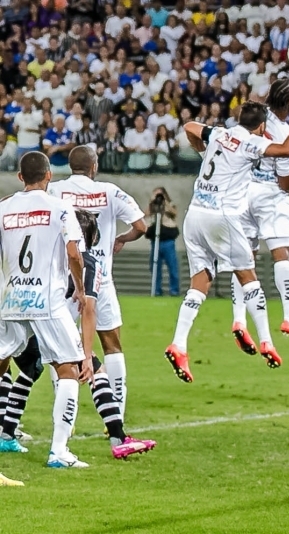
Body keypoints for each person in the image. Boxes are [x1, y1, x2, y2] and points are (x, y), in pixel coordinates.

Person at [164, 99, 289, 382]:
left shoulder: (219, 133)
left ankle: (179, 344)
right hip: (222, 217)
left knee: (201, 281)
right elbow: (286, 150)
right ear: (261, 126)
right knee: (249, 278)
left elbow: (189, 126)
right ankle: (267, 341)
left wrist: (202, 151)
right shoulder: (251, 142)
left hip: (195, 214)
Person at [0, 210, 156, 459]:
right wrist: (85, 351)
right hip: (49, 323)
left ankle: (7, 433)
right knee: (86, 370)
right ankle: (107, 440)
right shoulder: (86, 261)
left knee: (30, 369)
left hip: (19, 314)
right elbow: (89, 310)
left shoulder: (48, 251)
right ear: (92, 237)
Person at [0, 151, 89, 468]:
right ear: (49, 175)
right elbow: (74, 254)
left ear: (20, 177)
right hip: (47, 299)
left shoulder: (4, 208)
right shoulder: (60, 207)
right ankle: (60, 451)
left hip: (10, 297)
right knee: (68, 367)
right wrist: (78, 287)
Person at [48, 146, 148, 423]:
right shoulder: (109, 191)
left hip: (64, 276)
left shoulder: (55, 191)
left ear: (70, 166)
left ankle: (65, 413)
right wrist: (122, 239)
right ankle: (117, 413)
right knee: (112, 344)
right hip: (100, 275)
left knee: (62, 347)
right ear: (94, 167)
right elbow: (141, 226)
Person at [233, 79, 289, 352]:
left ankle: (239, 320)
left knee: (245, 259)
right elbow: (284, 182)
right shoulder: (286, 132)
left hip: (241, 191)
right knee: (282, 254)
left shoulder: (256, 115)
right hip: (269, 196)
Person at [146, 187, 180, 297]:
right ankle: (156, 290)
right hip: (155, 241)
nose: (158, 198)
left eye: (160, 195)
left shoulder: (170, 205)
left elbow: (174, 213)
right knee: (155, 268)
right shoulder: (153, 206)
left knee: (173, 268)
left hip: (168, 241)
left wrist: (165, 203)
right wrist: (152, 202)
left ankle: (174, 290)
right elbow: (145, 214)